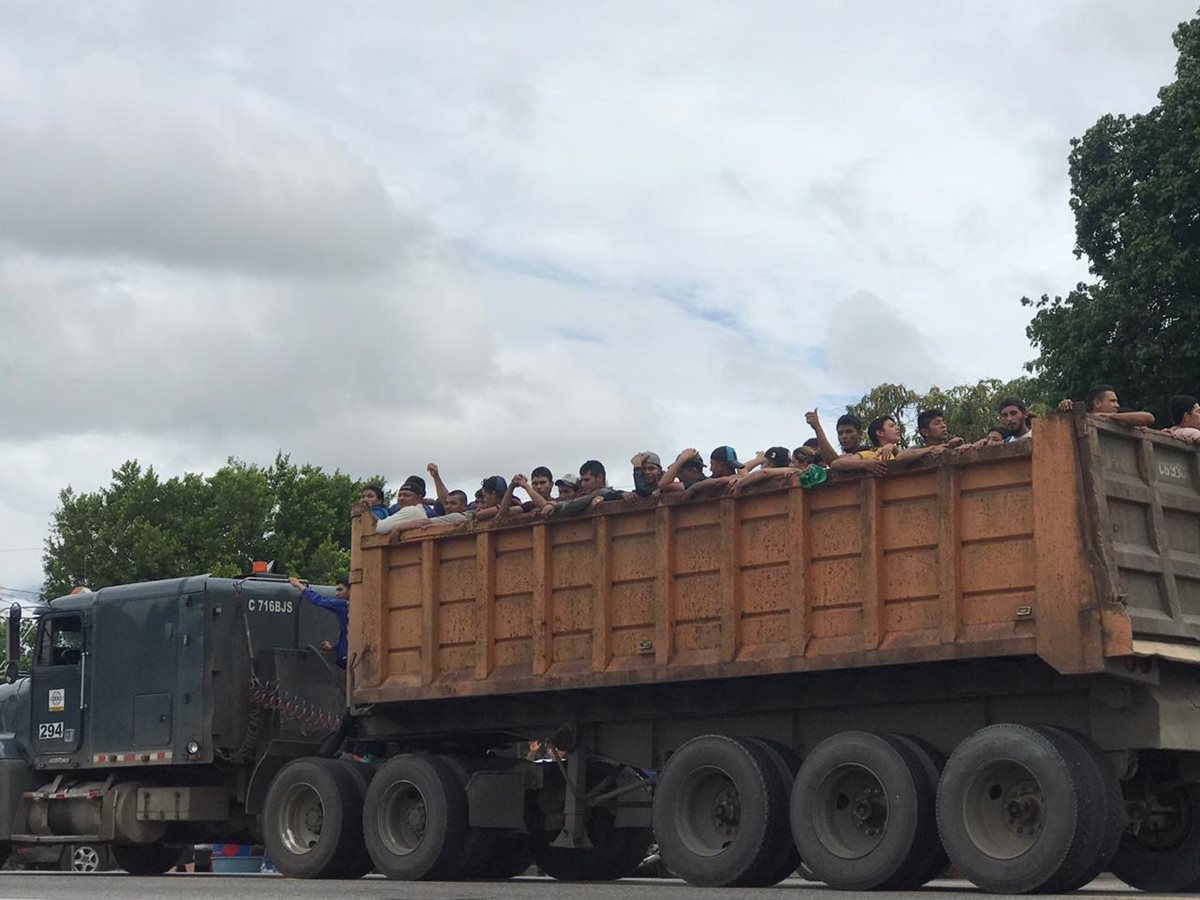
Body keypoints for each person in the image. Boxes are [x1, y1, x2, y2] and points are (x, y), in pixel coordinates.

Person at [288, 576, 349, 668]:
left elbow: (319, 600)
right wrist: (334, 648)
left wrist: (299, 586)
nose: (337, 594)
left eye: (340, 590)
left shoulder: (342, 605)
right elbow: (347, 636)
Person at [540, 461, 622, 516]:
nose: (583, 484)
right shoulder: (601, 494)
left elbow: (571, 506)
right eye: (582, 480)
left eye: (587, 480)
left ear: (600, 477)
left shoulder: (603, 492)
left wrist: (554, 505)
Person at [1058, 384, 1156, 427]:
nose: (1117, 405)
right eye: (1112, 401)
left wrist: (1110, 416)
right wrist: (1064, 406)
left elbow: (1149, 418)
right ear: (1097, 403)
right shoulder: (1084, 415)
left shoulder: (1121, 414)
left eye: (1117, 401)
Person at [375, 476, 444, 533]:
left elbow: (380, 528)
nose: (401, 498)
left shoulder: (412, 510)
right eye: (400, 495)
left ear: (419, 498)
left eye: (406, 495)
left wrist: (367, 512)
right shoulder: (401, 509)